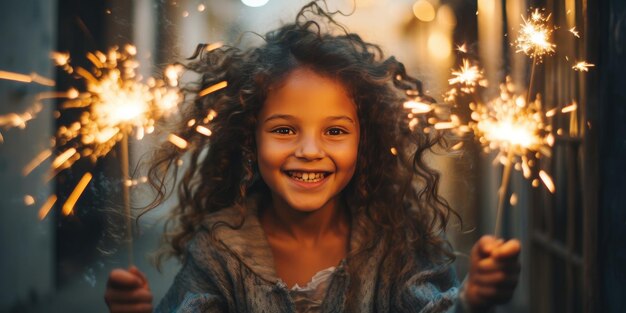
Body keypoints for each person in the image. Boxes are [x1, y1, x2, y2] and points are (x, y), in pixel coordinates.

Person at [105, 3, 520, 312]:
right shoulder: (219, 249)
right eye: (284, 130)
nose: (308, 151)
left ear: (366, 141)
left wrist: (472, 299)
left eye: (335, 131)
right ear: (249, 139)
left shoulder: (397, 242)